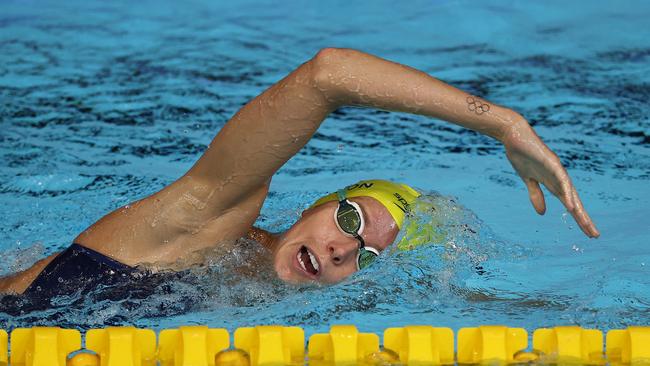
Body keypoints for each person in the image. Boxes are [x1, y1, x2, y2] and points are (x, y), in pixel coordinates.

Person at [0, 48, 599, 301]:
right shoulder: (201, 226)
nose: (341, 249)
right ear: (316, 204)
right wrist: (501, 123)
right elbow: (327, 74)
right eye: (348, 219)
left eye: (365, 255)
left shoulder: (268, 305)